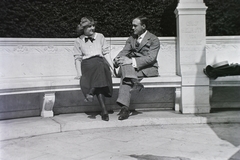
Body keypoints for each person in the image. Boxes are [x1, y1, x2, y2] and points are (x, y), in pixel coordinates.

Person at [113, 16, 160, 120]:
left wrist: (132, 61)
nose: (132, 28)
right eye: (132, 25)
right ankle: (135, 82)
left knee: (126, 74)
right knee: (125, 63)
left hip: (148, 68)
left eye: (135, 25)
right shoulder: (131, 38)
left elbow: (151, 58)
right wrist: (117, 59)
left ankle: (124, 108)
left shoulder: (154, 39)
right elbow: (124, 51)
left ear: (143, 26)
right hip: (132, 69)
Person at [73, 16, 114, 121]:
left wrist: (112, 68)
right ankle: (103, 109)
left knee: (100, 65)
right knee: (99, 68)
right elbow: (78, 58)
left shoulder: (100, 36)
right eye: (89, 27)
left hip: (100, 64)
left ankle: (94, 97)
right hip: (88, 65)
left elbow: (106, 53)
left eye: (93, 26)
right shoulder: (78, 40)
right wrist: (79, 74)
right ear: (83, 29)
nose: (92, 28)